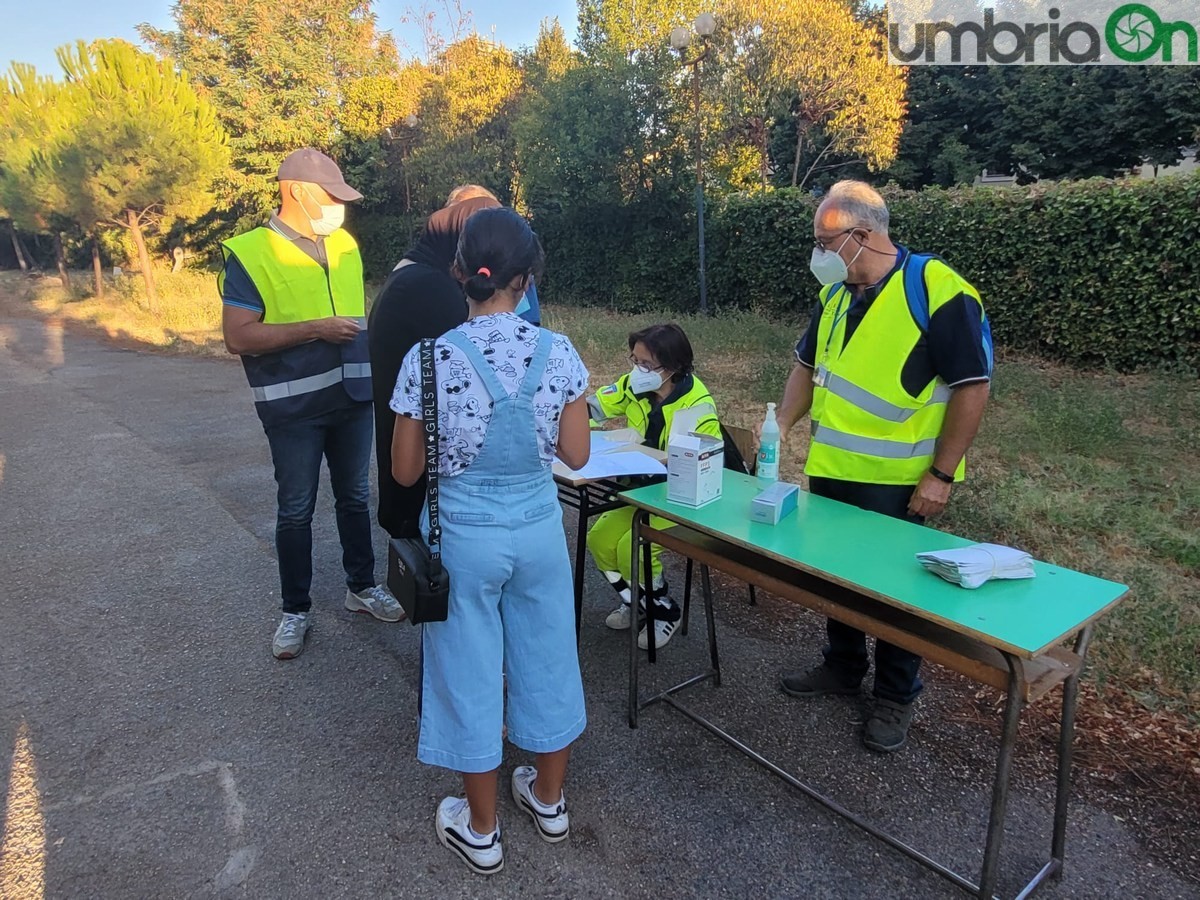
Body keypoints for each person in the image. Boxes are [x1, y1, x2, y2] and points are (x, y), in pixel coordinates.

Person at [389, 207, 590, 875]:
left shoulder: (429, 358)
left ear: (458, 274)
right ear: (527, 278)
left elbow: (405, 471)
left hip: (465, 537)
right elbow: (577, 454)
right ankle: (551, 801)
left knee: (468, 672)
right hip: (537, 529)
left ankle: (480, 830)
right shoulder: (558, 351)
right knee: (549, 655)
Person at [771, 180, 992, 753]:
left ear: (862, 235)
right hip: (834, 471)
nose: (818, 253)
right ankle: (842, 666)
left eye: (826, 241)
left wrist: (941, 475)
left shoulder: (937, 289)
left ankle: (896, 697)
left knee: (897, 592)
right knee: (837, 576)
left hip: (900, 483)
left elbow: (973, 385)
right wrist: (779, 430)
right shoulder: (836, 297)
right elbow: (804, 366)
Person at [219, 148, 403, 660]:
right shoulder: (248, 253)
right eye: (331, 196)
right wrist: (315, 329)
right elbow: (238, 337)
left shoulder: (343, 244)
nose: (339, 208)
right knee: (295, 509)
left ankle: (361, 587)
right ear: (298, 191)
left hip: (352, 395)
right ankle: (294, 610)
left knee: (355, 497)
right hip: (294, 406)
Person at [368, 187, 500, 540]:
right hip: (429, 483)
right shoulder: (429, 287)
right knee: (437, 583)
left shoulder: (413, 272)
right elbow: (482, 368)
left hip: (411, 459)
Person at [585, 324, 720, 650]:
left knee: (632, 548)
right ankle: (637, 603)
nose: (636, 370)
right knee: (599, 541)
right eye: (634, 360)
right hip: (639, 490)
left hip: (679, 496)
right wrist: (586, 431)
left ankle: (664, 612)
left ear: (672, 367)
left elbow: (698, 463)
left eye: (645, 364)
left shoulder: (698, 406)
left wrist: (646, 455)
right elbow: (591, 408)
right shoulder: (633, 385)